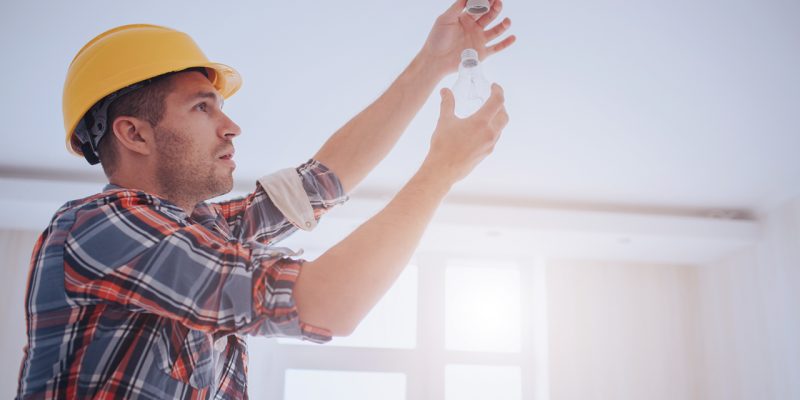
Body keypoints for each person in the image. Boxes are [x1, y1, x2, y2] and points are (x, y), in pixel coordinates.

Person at [16, 0, 515, 398]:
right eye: (202, 107)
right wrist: (439, 172)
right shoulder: (99, 227)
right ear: (135, 134)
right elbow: (325, 303)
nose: (231, 127)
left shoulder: (203, 231)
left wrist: (432, 65)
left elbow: (320, 182)